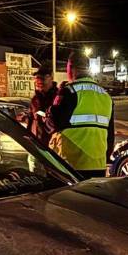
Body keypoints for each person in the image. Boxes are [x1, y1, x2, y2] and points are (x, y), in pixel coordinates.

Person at [48, 50, 114, 179]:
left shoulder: (69, 91)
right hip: (98, 165)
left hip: (71, 164)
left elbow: (54, 123)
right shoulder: (106, 96)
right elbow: (110, 133)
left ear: (71, 67)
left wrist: (49, 112)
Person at [27, 66, 58, 145]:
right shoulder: (35, 100)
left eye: (42, 77)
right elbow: (31, 119)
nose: (39, 80)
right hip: (36, 145)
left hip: (53, 146)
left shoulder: (58, 97)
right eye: (37, 77)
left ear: (51, 78)